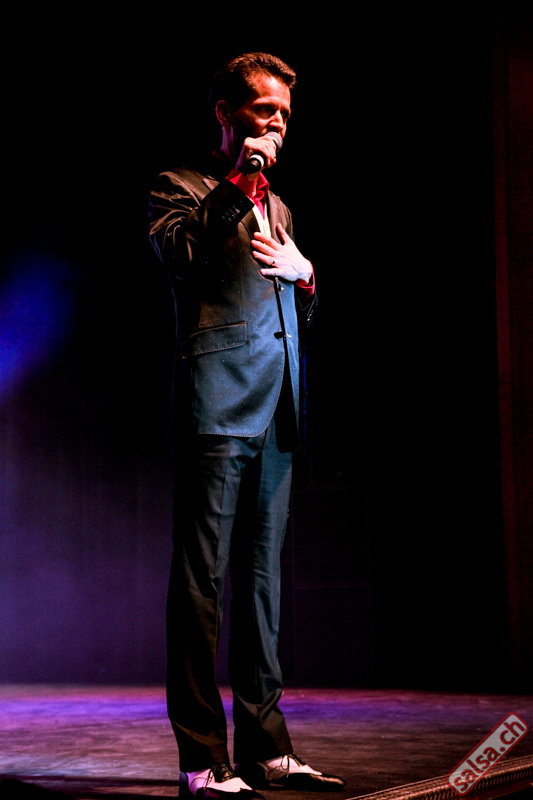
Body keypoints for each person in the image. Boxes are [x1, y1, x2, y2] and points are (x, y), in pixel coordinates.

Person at [148, 52, 346, 799]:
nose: (277, 127)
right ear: (226, 114)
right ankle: (203, 760)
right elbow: (182, 255)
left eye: (285, 117)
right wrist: (236, 184)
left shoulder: (281, 208)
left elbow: (289, 307)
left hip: (279, 409)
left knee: (262, 585)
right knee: (201, 585)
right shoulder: (181, 188)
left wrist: (307, 276)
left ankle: (266, 749)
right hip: (217, 409)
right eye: (265, 111)